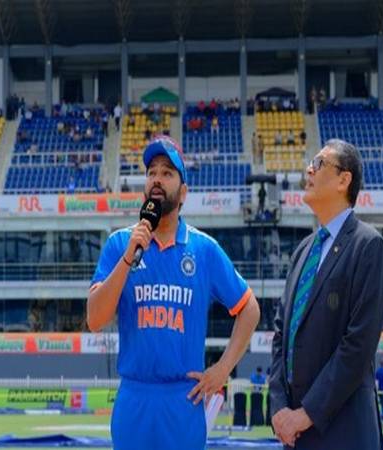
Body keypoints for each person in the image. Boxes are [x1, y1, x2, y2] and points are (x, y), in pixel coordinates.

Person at [87, 136, 260, 450]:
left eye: (167, 172)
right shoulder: (119, 244)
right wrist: (128, 257)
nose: (156, 178)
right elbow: (95, 319)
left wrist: (222, 369)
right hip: (134, 397)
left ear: (183, 192)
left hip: (182, 399)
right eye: (152, 171)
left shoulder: (204, 249)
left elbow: (250, 309)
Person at [269, 139, 383, 450]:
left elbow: (358, 344)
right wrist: (280, 408)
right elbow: (282, 335)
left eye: (318, 164)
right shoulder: (302, 252)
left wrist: (307, 413)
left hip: (343, 431)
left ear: (343, 180)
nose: (308, 169)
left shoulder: (368, 245)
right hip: (295, 434)